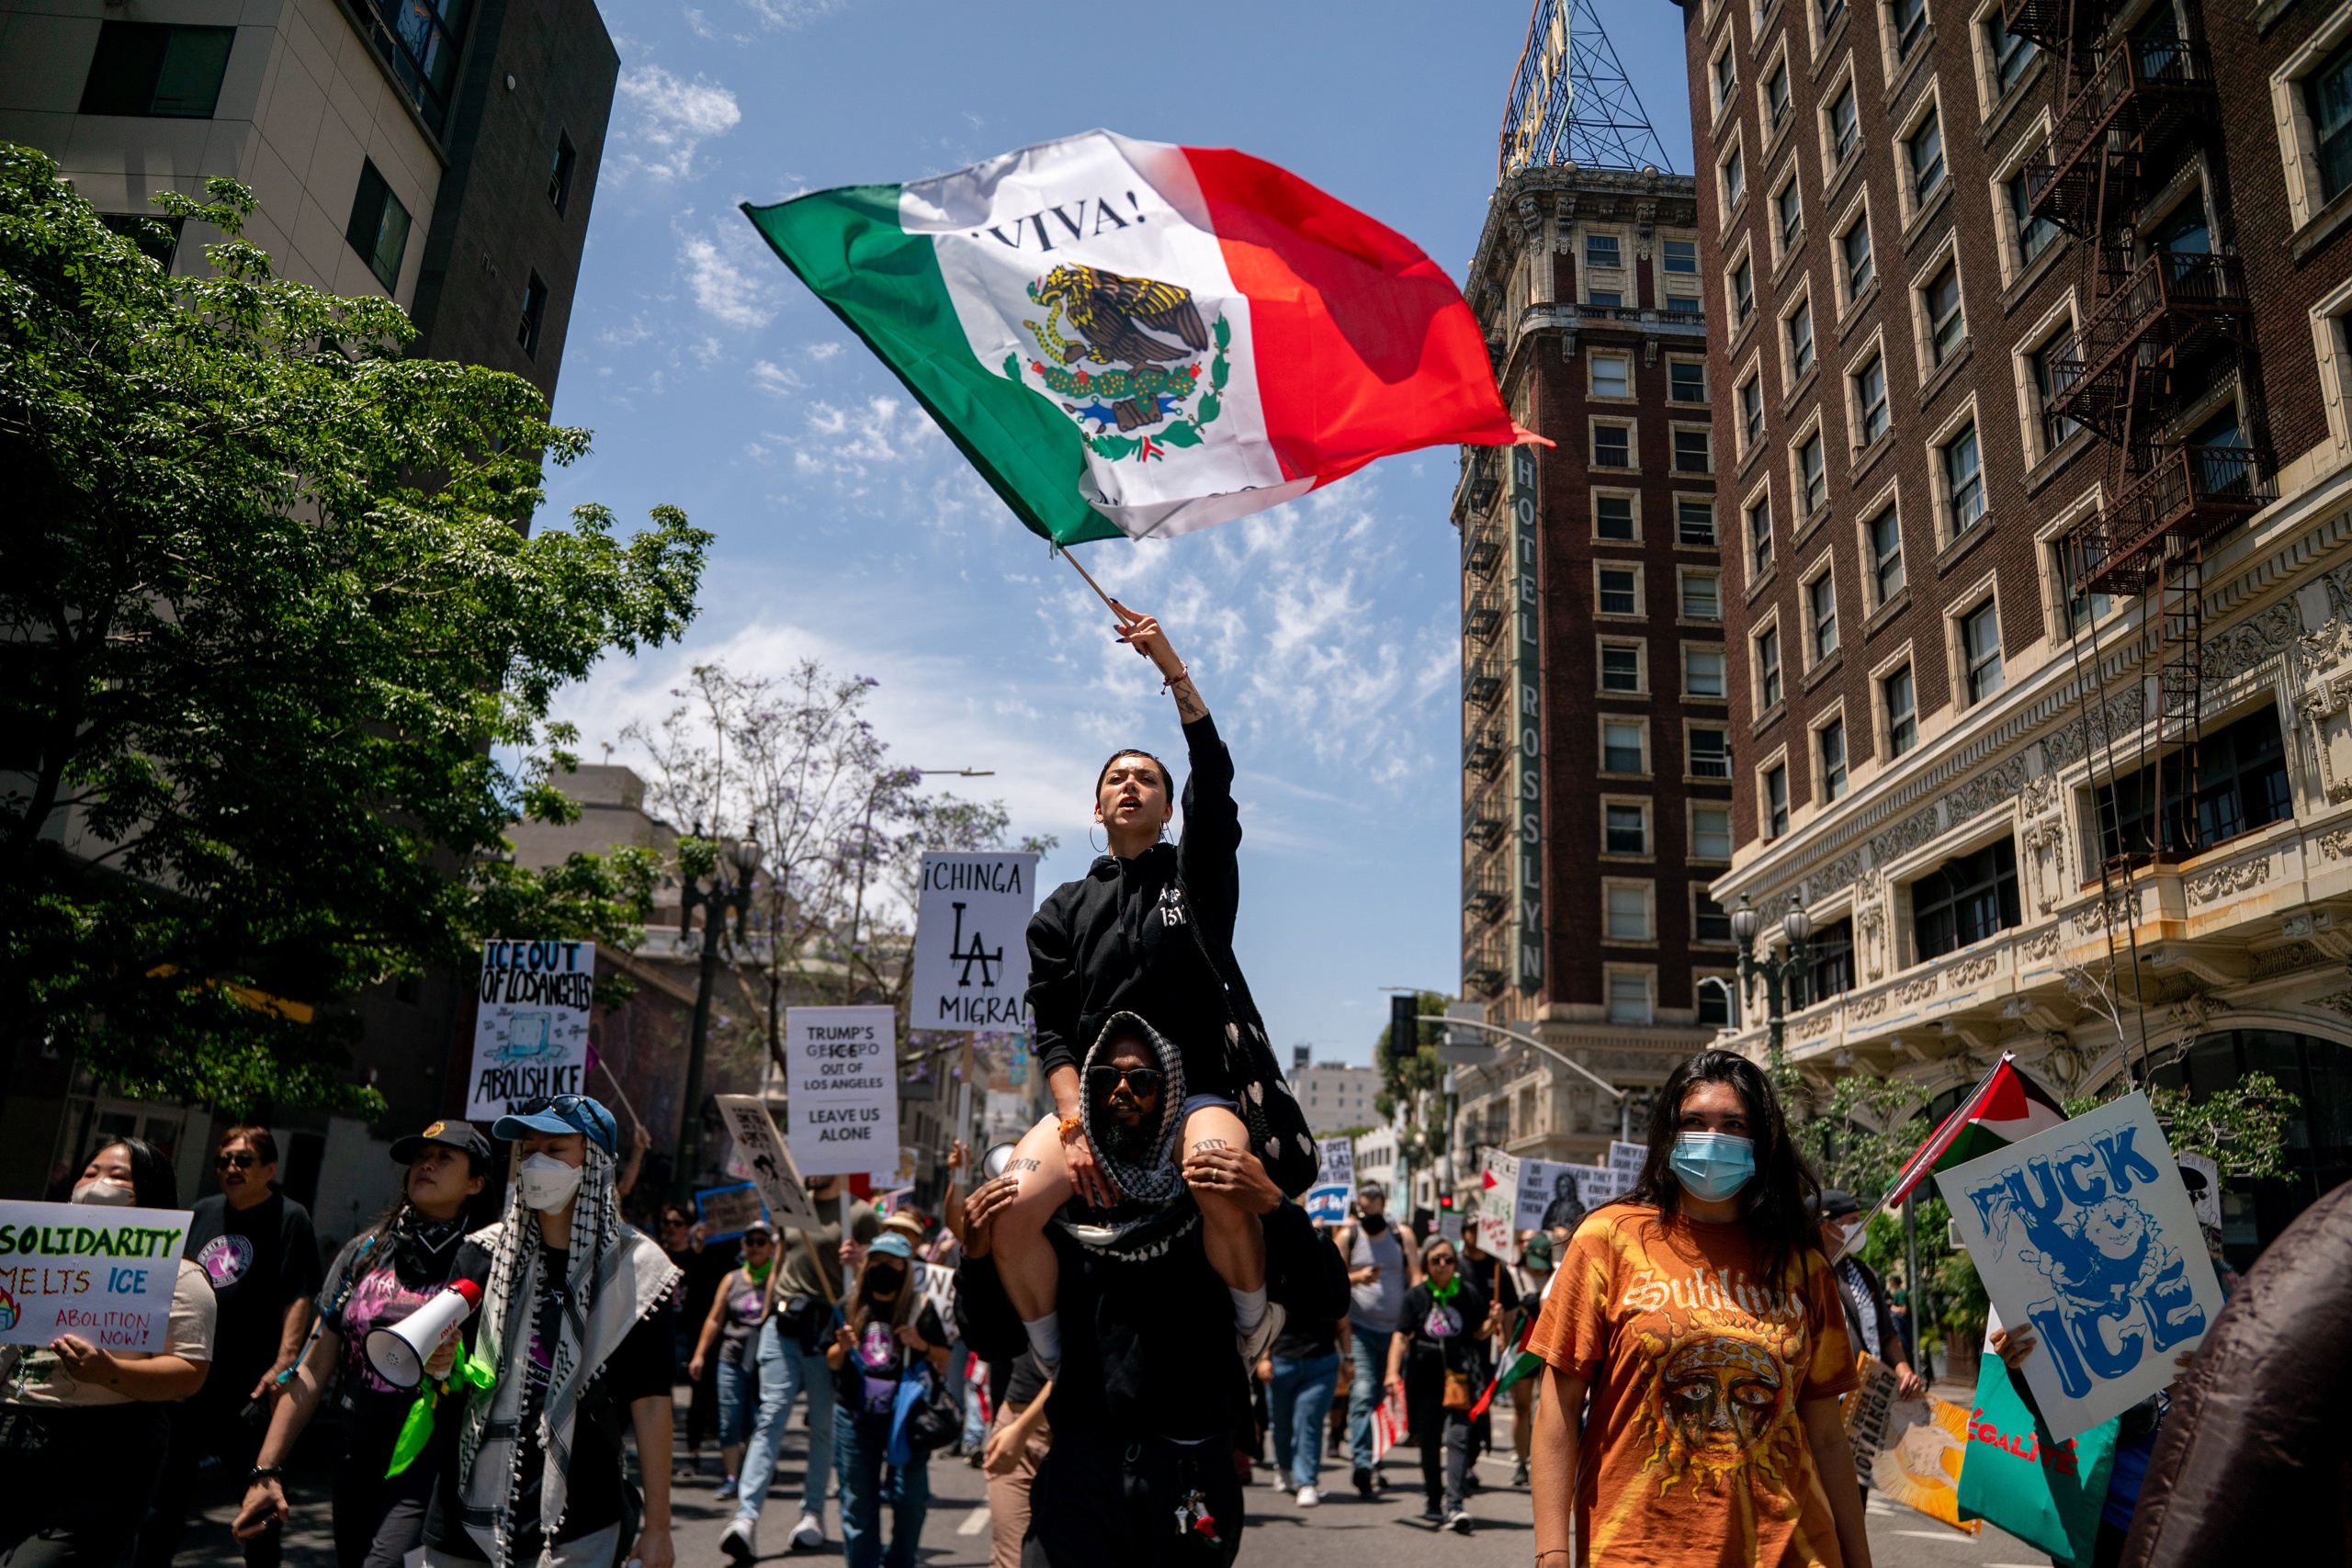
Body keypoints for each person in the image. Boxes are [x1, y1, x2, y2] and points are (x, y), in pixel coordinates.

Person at [996, 602, 1310, 1382]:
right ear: (1097, 805)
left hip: (1197, 1091)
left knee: (1217, 1175)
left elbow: (1215, 777)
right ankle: (1051, 1356)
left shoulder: (1195, 879)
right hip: (1093, 1105)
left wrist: (1173, 669)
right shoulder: (1061, 909)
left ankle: (1252, 1318)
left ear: (1169, 808)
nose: (1130, 784)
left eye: (1146, 778)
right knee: (1009, 1207)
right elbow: (1052, 1028)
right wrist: (1072, 1124)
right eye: (1116, 777)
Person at [954, 1010, 1351, 1568]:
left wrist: (1273, 1206)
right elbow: (992, 1340)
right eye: (1105, 1079)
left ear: (1170, 1094)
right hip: (1082, 1475)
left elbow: (1328, 1299)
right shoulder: (1061, 1208)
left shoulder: (1219, 1203)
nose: (1122, 1091)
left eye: (1141, 1080)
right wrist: (975, 1255)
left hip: (1190, 1476)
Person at [1527, 1049, 1873, 1568]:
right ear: (1669, 1134)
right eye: (1694, 1122)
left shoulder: (1802, 1266)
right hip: (1638, 1551)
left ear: (1761, 1141)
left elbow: (1826, 1437)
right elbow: (1557, 1409)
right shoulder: (1607, 1241)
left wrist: (1860, 1561)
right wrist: (1551, 1551)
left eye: (1733, 1124)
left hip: (1793, 1550)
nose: (1712, 1139)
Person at [421, 1094, 679, 1568]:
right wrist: (440, 1366)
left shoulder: (640, 1274)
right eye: (528, 1151)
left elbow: (651, 1404)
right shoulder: (482, 1256)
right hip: (465, 1513)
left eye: (556, 1149)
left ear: (595, 1162)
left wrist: (659, 1527)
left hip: (578, 1522)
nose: (537, 1162)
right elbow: (454, 1378)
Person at [231, 1120, 494, 1568]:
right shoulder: (364, 1251)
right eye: (420, 1157)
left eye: (444, 1157)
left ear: (475, 1183)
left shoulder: (488, 1262)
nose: (426, 1164)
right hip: (356, 1448)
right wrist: (266, 1469)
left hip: (430, 1457)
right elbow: (314, 1368)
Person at [3, 1137, 216, 1568]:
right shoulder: (31, 1258)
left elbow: (190, 1372)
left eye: (118, 1176)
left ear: (150, 1192)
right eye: (90, 1172)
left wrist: (109, 1371)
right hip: (13, 1432)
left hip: (102, 1454)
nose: (97, 1183)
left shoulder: (181, 1276)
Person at [137, 1124, 323, 1568]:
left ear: (270, 1169)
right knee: (162, 1503)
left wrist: (284, 1363)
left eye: (243, 1160)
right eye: (223, 1161)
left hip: (249, 1388)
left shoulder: (290, 1217)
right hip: (190, 1377)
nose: (231, 1168)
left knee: (257, 1504)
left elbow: (299, 1295)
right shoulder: (202, 1212)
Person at [723, 1170, 880, 1561]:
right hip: (782, 1325)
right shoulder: (789, 1204)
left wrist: (861, 1262)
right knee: (770, 1416)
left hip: (825, 1333)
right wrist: (765, 1314)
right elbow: (780, 1258)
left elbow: (877, 1277)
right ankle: (745, 1518)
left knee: (822, 1427)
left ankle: (812, 1514)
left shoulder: (859, 1214)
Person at [824, 1233, 951, 1568]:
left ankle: (900, 1561)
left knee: (910, 1499)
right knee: (858, 1501)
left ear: (905, 1269)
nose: (884, 1268)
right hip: (855, 1416)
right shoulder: (848, 1306)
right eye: (877, 1261)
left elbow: (944, 1358)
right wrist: (842, 1347)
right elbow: (832, 1361)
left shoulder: (919, 1307)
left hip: (904, 1418)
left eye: (892, 1263)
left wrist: (920, 1344)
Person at [1385, 1237, 1490, 1532]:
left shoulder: (1468, 1294)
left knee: (1458, 1439)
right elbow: (1400, 1336)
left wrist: (1493, 1322)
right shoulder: (1415, 1296)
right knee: (1430, 1442)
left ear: (1455, 1263)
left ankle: (1455, 1504)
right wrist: (1392, 1373)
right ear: (1426, 1264)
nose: (1442, 1265)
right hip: (1425, 1380)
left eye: (1448, 1259)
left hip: (1459, 1380)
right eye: (1436, 1260)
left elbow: (1480, 1332)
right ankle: (1433, 1499)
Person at [687, 1220, 779, 1501]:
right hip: (731, 1358)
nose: (754, 1247)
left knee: (759, 1418)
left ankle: (756, 1473)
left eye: (761, 1242)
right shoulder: (732, 1279)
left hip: (765, 1362)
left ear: (771, 1247)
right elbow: (715, 1319)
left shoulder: (777, 1278)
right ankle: (731, 1477)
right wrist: (700, 1354)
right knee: (729, 1419)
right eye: (749, 1241)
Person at [1334, 1180, 1414, 1497]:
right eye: (1365, 1211)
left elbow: (1415, 1277)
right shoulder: (1348, 1236)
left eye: (1375, 1210)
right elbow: (1333, 1280)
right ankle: (1362, 1462)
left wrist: (1415, 1321)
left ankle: (1376, 1459)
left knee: (1384, 1400)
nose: (1371, 1216)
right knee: (1363, 1392)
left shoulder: (1402, 1234)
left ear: (1383, 1204)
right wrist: (1358, 1277)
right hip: (1360, 1330)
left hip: (1395, 1333)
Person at [1811, 1190, 1925, 1402]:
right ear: (1827, 1226)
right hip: (1824, 1400)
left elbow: (1887, 1335)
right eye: (1853, 1222)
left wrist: (1905, 1373)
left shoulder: (1863, 1274)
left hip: (1868, 1399)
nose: (1860, 1228)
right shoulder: (1802, 1275)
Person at [657, 1205, 732, 1474]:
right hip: (664, 1331)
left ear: (688, 1228)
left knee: (699, 1392)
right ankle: (660, 1451)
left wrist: (702, 1248)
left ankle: (693, 1451)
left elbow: (714, 1282)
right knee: (659, 1393)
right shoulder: (657, 1255)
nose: (671, 1228)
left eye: (677, 1223)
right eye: (667, 1222)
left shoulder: (698, 1257)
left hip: (692, 1332)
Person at [1258, 1280, 1344, 1506]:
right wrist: (1264, 1358)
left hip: (1321, 1365)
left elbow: (1344, 1323)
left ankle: (1306, 1482)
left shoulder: (1331, 1279)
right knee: (1281, 1423)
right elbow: (1264, 1319)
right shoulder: (1279, 1279)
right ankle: (1284, 1468)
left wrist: (1349, 1358)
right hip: (1281, 1363)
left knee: (1308, 1421)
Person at [978, 1354, 1051, 1568]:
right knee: (1010, 1557)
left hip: (1080, 1431)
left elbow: (1076, 1365)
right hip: (1015, 1422)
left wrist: (1022, 1428)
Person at [1506, 1231, 1555, 1488]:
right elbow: (1507, 1315)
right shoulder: (1512, 1274)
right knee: (1522, 1406)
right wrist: (1505, 1345)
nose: (1538, 1270)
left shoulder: (1556, 1274)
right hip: (1523, 1349)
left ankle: (1545, 1464)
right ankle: (1521, 1462)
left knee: (1549, 1408)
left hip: (1549, 1347)